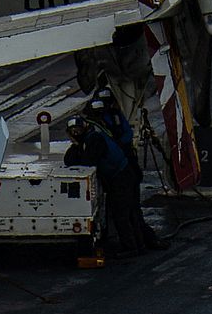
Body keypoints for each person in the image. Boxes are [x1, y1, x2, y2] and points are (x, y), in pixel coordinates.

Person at [85, 95, 167, 251]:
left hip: (123, 175)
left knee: (125, 213)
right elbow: (126, 136)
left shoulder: (99, 130)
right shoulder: (109, 121)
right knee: (131, 212)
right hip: (127, 171)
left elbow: (92, 159)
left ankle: (135, 245)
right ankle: (142, 243)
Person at [64, 116, 142, 256]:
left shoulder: (94, 139)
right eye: (73, 131)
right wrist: (76, 145)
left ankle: (131, 247)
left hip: (122, 177)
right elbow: (69, 160)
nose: (76, 134)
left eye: (78, 130)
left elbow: (88, 161)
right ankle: (134, 244)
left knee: (122, 214)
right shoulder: (87, 139)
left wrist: (76, 146)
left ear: (84, 128)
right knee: (122, 212)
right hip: (118, 177)